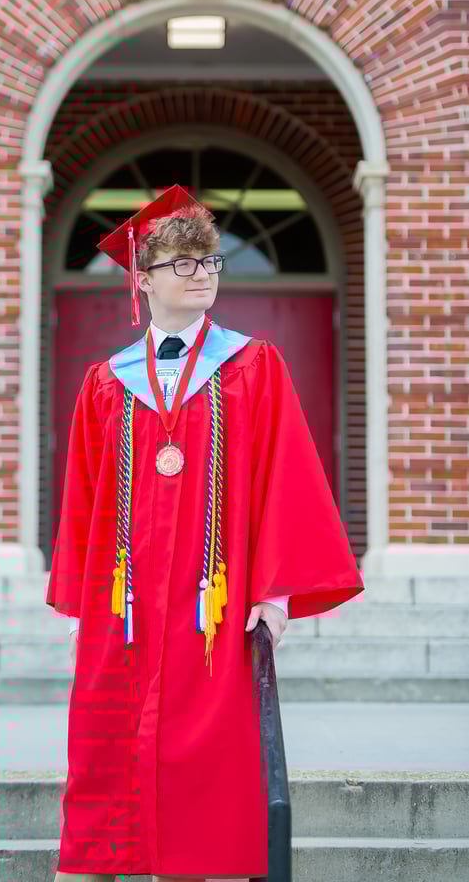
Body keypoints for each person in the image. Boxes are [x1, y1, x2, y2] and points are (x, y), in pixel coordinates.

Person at [46, 184, 365, 882]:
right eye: (183, 264)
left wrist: (275, 594)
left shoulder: (252, 366)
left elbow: (286, 476)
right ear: (142, 278)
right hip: (125, 610)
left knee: (210, 778)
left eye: (210, 262)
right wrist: (79, 606)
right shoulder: (106, 383)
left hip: (210, 607)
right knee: (107, 764)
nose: (202, 275)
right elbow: (84, 498)